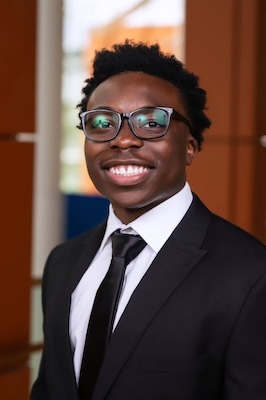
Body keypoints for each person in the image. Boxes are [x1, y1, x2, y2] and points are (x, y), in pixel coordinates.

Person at [30, 40, 266, 400]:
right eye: (103, 122)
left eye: (151, 122)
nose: (123, 140)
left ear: (190, 145)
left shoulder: (250, 275)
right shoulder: (63, 262)